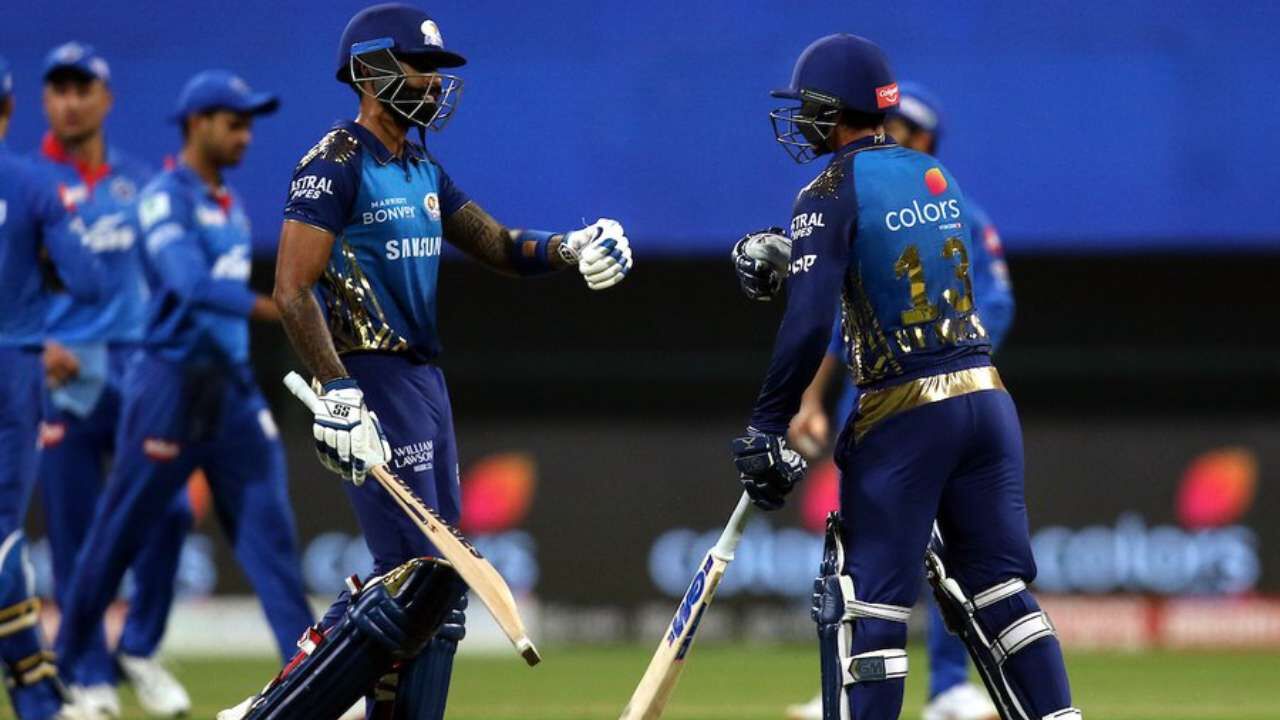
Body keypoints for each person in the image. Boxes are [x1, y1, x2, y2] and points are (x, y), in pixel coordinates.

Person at [219, 5, 633, 719]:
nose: (435, 83)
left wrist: (569, 247)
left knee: (436, 587)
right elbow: (291, 289)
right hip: (370, 379)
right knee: (414, 576)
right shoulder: (335, 162)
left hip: (422, 383)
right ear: (372, 71)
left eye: (438, 71)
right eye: (422, 67)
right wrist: (340, 392)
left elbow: (496, 243)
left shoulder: (419, 167)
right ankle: (275, 709)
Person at [728, 34, 1079, 720]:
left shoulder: (828, 189)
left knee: (869, 609)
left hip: (904, 416)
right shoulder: (934, 177)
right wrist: (799, 253)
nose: (800, 119)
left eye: (808, 105)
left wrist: (767, 424)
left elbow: (809, 321)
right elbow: (889, 263)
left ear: (834, 108)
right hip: (986, 404)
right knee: (1000, 594)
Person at [53, 69, 316, 700]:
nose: (246, 136)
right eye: (234, 123)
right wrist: (274, 307)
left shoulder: (228, 204)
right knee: (116, 536)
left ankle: (312, 683)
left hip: (232, 394)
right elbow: (188, 284)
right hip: (168, 388)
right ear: (197, 123)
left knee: (272, 541)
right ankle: (68, 667)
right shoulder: (162, 199)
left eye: (249, 125)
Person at [34, 42, 192, 718]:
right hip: (62, 381)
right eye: (59, 89)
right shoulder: (26, 183)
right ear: (46, 100)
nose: (71, 102)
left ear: (107, 99)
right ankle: (89, 674)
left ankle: (139, 646)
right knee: (74, 535)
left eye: (83, 89)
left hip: (135, 374)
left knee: (172, 512)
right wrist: (37, 344)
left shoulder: (140, 183)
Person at [0, 53, 101, 720]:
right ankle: (39, 696)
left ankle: (39, 689)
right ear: (9, 109)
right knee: (4, 539)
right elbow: (88, 280)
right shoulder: (35, 185)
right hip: (11, 368)